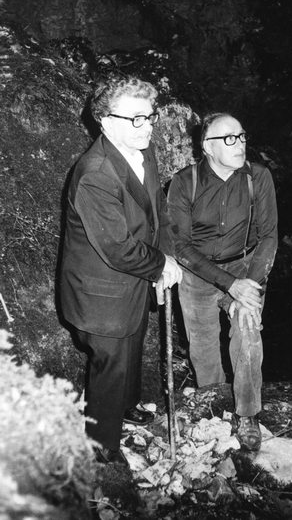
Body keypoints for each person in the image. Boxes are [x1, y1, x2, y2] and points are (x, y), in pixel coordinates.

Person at [59, 76, 182, 465]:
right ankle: (101, 444)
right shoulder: (95, 173)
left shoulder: (142, 150)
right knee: (110, 363)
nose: (147, 126)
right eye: (136, 118)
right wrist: (161, 265)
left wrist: (164, 258)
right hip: (101, 292)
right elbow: (117, 248)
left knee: (132, 345)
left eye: (150, 115)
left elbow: (157, 212)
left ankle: (126, 408)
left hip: (133, 282)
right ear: (105, 121)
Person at [167, 112, 278, 451]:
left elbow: (269, 237)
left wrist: (250, 285)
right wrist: (229, 284)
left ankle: (248, 413)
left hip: (245, 268)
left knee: (247, 330)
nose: (239, 144)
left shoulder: (258, 177)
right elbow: (179, 245)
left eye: (241, 136)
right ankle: (213, 403)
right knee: (202, 345)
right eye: (229, 139)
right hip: (198, 273)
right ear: (207, 147)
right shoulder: (185, 182)